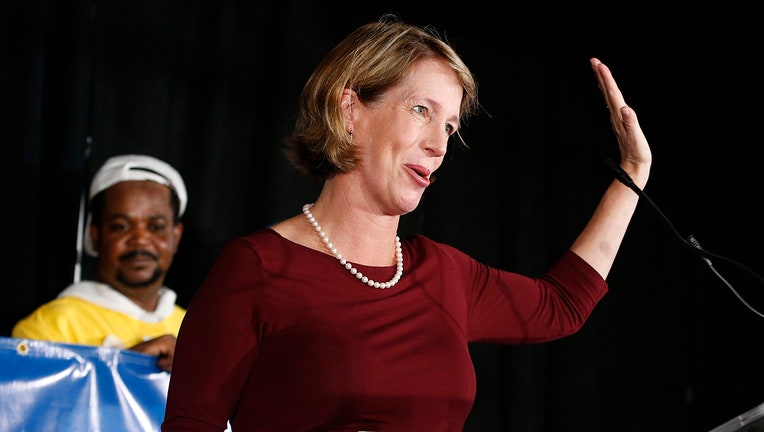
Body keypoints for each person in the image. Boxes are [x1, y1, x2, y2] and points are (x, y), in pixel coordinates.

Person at [162, 14, 651, 431]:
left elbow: (561, 304)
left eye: (450, 126)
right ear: (350, 109)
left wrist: (632, 174)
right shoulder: (258, 269)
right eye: (422, 110)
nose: (439, 145)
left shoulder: (444, 274)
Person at [12, 154, 188, 372]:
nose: (140, 239)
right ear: (95, 236)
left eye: (156, 227)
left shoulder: (196, 328)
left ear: (176, 236)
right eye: (120, 226)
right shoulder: (47, 328)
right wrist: (124, 369)